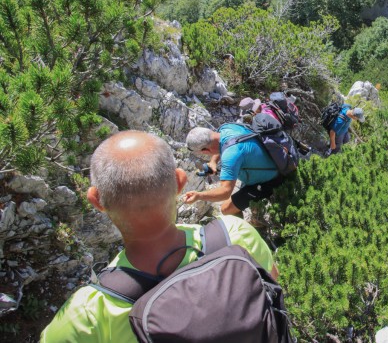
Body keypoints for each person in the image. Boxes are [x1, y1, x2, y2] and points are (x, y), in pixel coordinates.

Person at [41, 131, 277, 343]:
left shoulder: (87, 316)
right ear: (179, 182)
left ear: (96, 200)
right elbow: (273, 291)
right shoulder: (236, 235)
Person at [184, 126, 284, 215]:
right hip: (276, 160)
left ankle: (242, 232)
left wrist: (199, 195)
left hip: (270, 181)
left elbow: (225, 192)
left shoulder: (230, 155)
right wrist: (213, 162)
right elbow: (222, 144)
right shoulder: (227, 128)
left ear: (205, 150)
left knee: (226, 209)